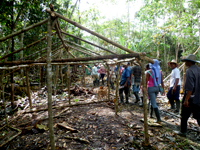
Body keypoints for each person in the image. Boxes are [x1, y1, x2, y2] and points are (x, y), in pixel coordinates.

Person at [176, 54, 200, 137]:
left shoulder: (190, 71)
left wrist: (186, 100)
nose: (185, 63)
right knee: (198, 117)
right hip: (198, 97)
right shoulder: (199, 69)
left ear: (189, 62)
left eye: (186, 61)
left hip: (190, 97)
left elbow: (190, 87)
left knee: (184, 116)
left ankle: (183, 132)